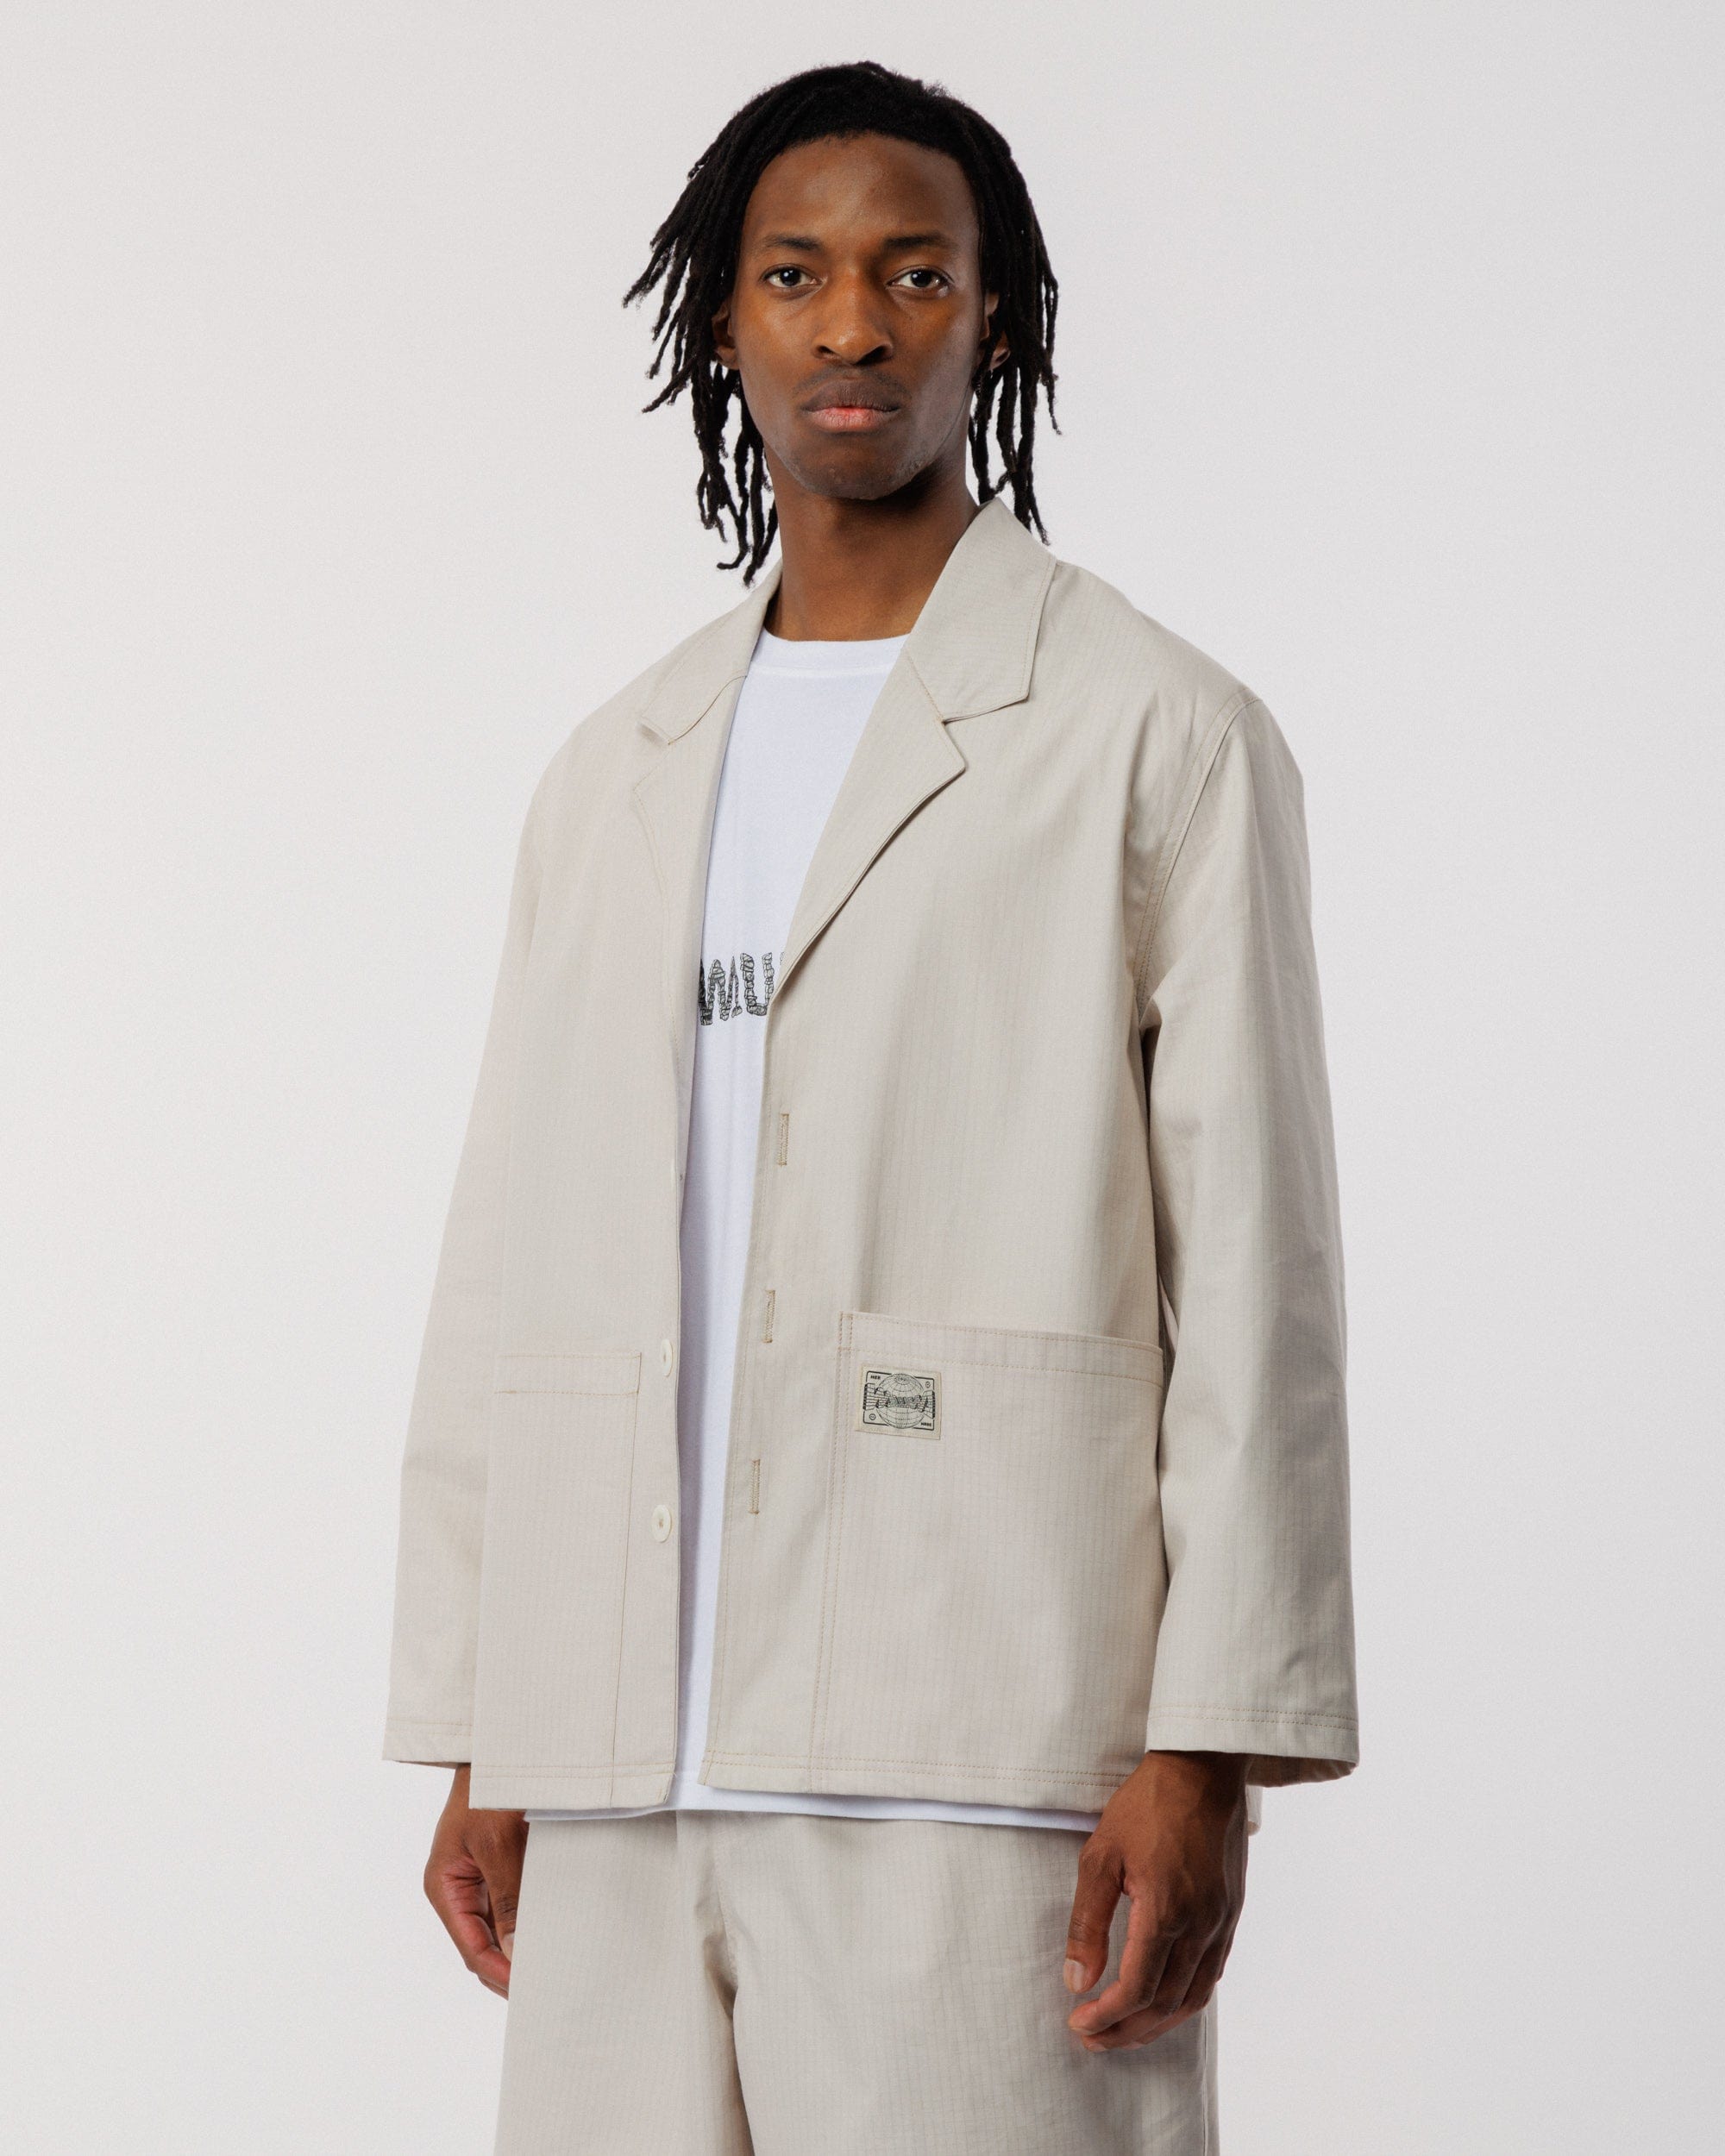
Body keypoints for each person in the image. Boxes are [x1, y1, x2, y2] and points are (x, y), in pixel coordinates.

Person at [382, 58, 1358, 2156]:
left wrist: (1208, 1739)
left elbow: (1254, 1265)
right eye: (796, 275)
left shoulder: (1153, 730)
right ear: (719, 322)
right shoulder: (617, 766)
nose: (853, 325)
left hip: (980, 1738)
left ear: (991, 317)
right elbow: (510, 1255)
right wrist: (487, 1710)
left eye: (915, 275)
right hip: (618, 1759)